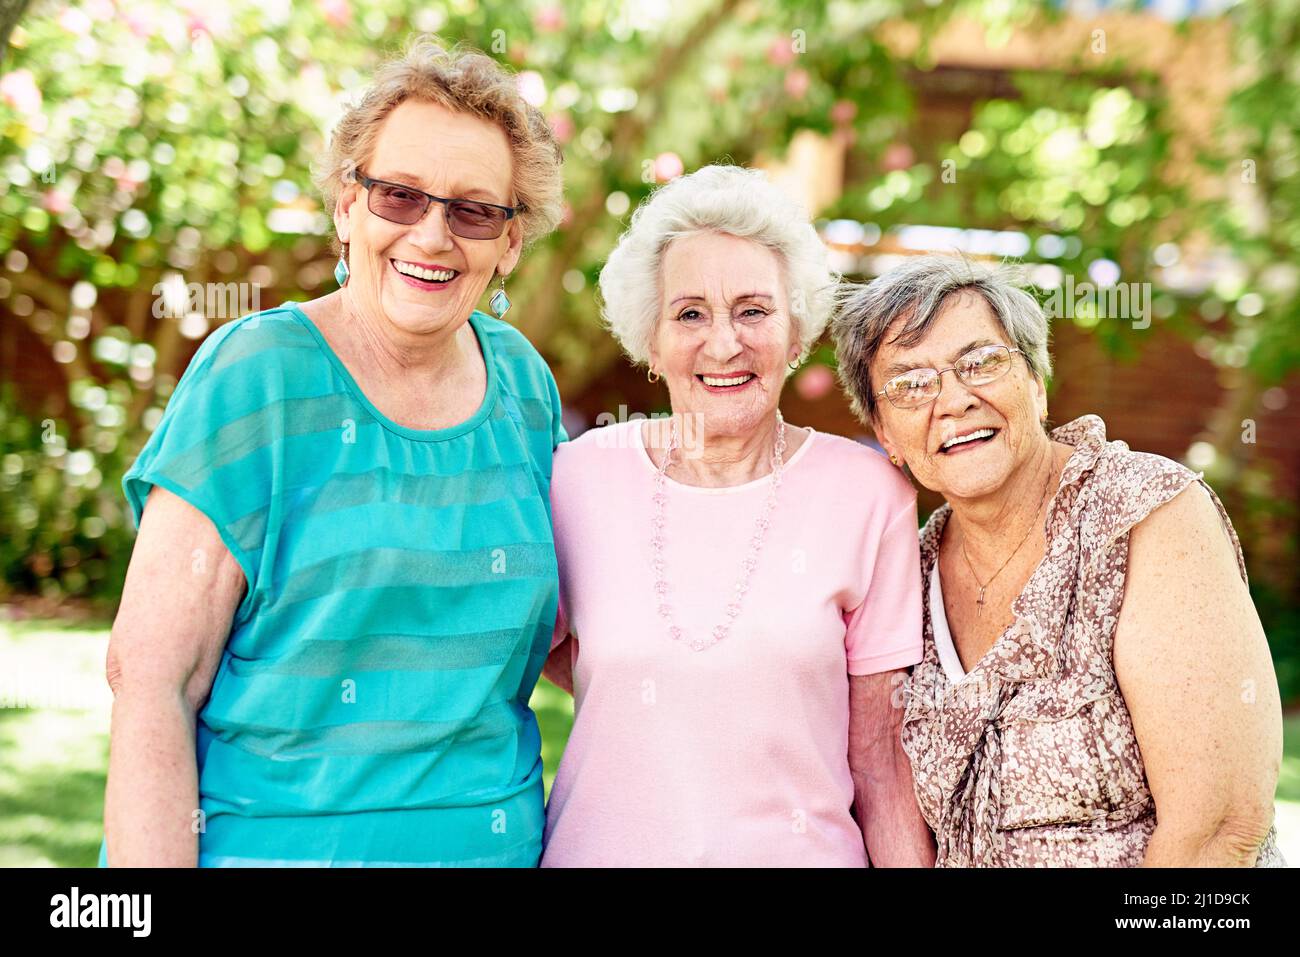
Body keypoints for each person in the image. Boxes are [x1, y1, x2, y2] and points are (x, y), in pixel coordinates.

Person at [99, 36, 566, 866]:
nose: (432, 234)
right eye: (399, 195)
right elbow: (151, 685)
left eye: (473, 210)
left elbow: (573, 632)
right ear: (347, 207)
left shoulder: (525, 387)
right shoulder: (257, 374)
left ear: (510, 244)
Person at [832, 254, 1286, 867]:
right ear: (885, 433)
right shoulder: (905, 575)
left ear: (1038, 385)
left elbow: (1222, 830)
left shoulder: (1141, 514)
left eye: (982, 362)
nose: (953, 400)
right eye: (910, 383)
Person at [540, 165, 934, 867]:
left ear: (795, 331)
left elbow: (882, 763)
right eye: (689, 313)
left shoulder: (870, 495)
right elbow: (524, 645)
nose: (723, 344)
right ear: (652, 343)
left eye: (753, 310)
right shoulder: (575, 478)